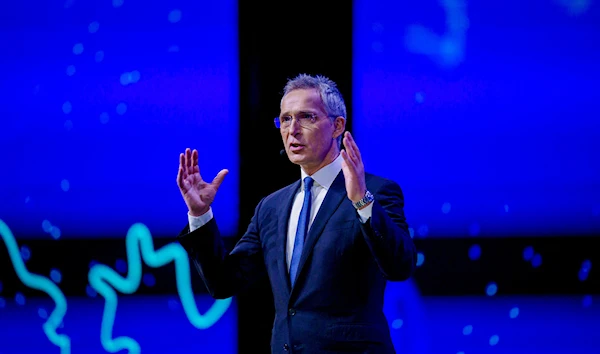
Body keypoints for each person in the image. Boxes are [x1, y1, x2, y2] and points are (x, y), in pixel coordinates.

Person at [176, 74, 417, 353]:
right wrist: (200, 212)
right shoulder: (272, 207)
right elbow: (223, 282)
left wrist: (361, 200)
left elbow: (401, 266)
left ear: (337, 125)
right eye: (286, 119)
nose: (293, 129)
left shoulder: (376, 191)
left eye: (307, 117)